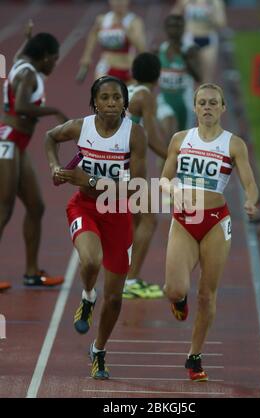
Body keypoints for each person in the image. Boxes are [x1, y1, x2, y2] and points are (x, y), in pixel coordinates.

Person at [45, 76, 147, 379]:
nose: (112, 103)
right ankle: (88, 295)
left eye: (117, 97)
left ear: (125, 102)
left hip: (117, 212)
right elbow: (50, 137)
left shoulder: (134, 134)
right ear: (95, 102)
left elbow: (138, 188)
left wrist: (89, 180)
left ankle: (99, 350)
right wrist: (54, 166)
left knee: (114, 297)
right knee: (90, 260)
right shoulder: (81, 127)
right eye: (105, 98)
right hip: (84, 207)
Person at [160, 83, 258, 381]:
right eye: (202, 102)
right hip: (184, 219)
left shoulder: (233, 144)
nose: (207, 107)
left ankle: (194, 356)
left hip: (216, 221)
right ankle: (179, 301)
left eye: (213, 103)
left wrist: (251, 202)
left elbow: (250, 184)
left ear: (223, 108)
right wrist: (171, 190)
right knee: (174, 289)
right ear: (194, 107)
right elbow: (164, 178)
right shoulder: (180, 139)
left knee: (206, 294)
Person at [0, 28, 67, 291]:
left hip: (18, 144)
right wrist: (56, 111)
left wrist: (28, 39)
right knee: (3, 209)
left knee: (36, 206)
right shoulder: (28, 73)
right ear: (45, 57)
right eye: (55, 59)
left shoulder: (23, 63)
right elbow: (23, 108)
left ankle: (31, 273)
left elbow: (21, 53)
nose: (55, 64)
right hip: (7, 143)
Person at [123, 52, 167, 299]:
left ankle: (124, 276)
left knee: (134, 221)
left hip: (114, 163)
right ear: (158, 76)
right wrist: (177, 156)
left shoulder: (128, 89)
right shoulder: (146, 96)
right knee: (149, 219)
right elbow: (150, 136)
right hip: (129, 167)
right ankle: (130, 280)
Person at [76, 0, 146, 84]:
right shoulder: (102, 19)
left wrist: (127, 32)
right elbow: (93, 35)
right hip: (106, 67)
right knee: (100, 95)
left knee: (128, 96)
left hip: (128, 69)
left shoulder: (134, 22)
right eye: (115, 0)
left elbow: (142, 48)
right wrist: (87, 55)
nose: (118, 3)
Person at [157, 14, 201, 141]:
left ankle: (171, 160)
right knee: (168, 136)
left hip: (184, 103)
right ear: (165, 28)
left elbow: (199, 76)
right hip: (165, 100)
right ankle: (165, 160)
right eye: (171, 26)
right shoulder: (160, 50)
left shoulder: (190, 50)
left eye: (178, 26)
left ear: (183, 28)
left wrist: (187, 60)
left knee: (182, 142)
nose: (174, 29)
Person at [172, 0, 227, 83]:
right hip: (190, 39)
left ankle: (203, 95)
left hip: (208, 39)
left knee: (207, 78)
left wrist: (212, 16)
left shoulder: (215, 2)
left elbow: (222, 23)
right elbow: (174, 16)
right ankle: (190, 94)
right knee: (188, 76)